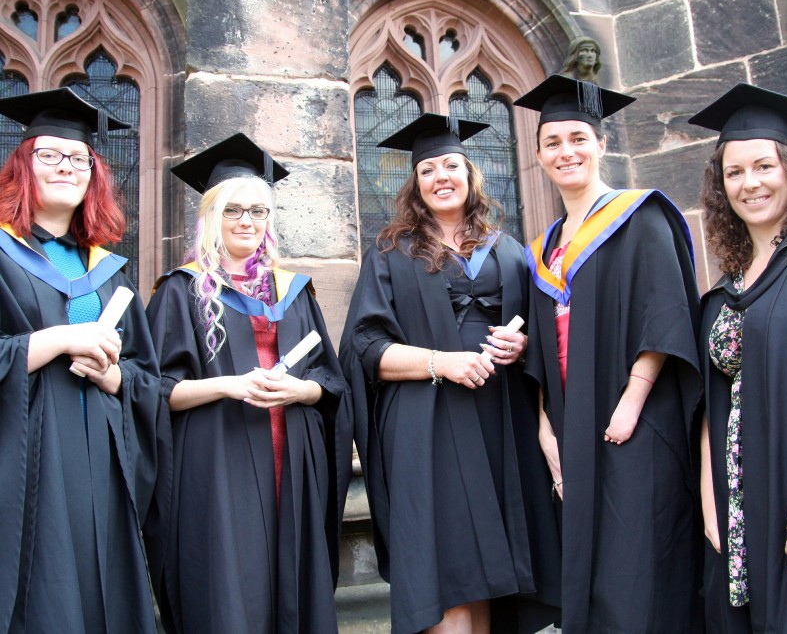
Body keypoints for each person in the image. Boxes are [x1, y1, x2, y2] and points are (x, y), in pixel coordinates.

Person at [340, 114, 560, 634]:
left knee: (487, 573)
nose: (441, 176)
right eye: (428, 170)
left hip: (499, 424)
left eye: (451, 166)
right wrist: (441, 362)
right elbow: (366, 347)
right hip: (427, 426)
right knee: (450, 571)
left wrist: (521, 345)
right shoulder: (392, 253)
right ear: (415, 184)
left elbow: (544, 340)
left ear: (470, 173)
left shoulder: (508, 249)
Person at [514, 75, 703, 633]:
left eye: (577, 138)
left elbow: (665, 312)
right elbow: (545, 343)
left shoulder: (640, 216)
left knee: (635, 566)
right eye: (552, 142)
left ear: (600, 143)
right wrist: (547, 425)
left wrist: (632, 398)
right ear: (539, 154)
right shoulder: (545, 245)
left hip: (632, 421)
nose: (565, 151)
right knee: (589, 572)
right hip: (573, 424)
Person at [144, 133, 351, 634]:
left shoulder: (294, 292)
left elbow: (329, 380)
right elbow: (155, 391)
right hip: (217, 461)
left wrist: (300, 391)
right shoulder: (181, 291)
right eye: (234, 210)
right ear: (212, 217)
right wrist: (230, 385)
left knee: (293, 583)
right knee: (230, 589)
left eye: (259, 212)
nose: (247, 222)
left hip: (293, 460)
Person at [0, 88, 161, 632]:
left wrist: (113, 374)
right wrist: (59, 340)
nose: (66, 166)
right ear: (24, 165)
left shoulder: (108, 268)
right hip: (27, 462)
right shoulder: (1, 254)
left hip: (102, 463)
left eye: (79, 159)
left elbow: (145, 375)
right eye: (49, 155)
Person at [689, 83, 787, 634]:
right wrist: (712, 502)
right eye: (734, 172)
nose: (749, 183)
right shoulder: (724, 289)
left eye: (763, 166)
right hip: (735, 513)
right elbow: (716, 399)